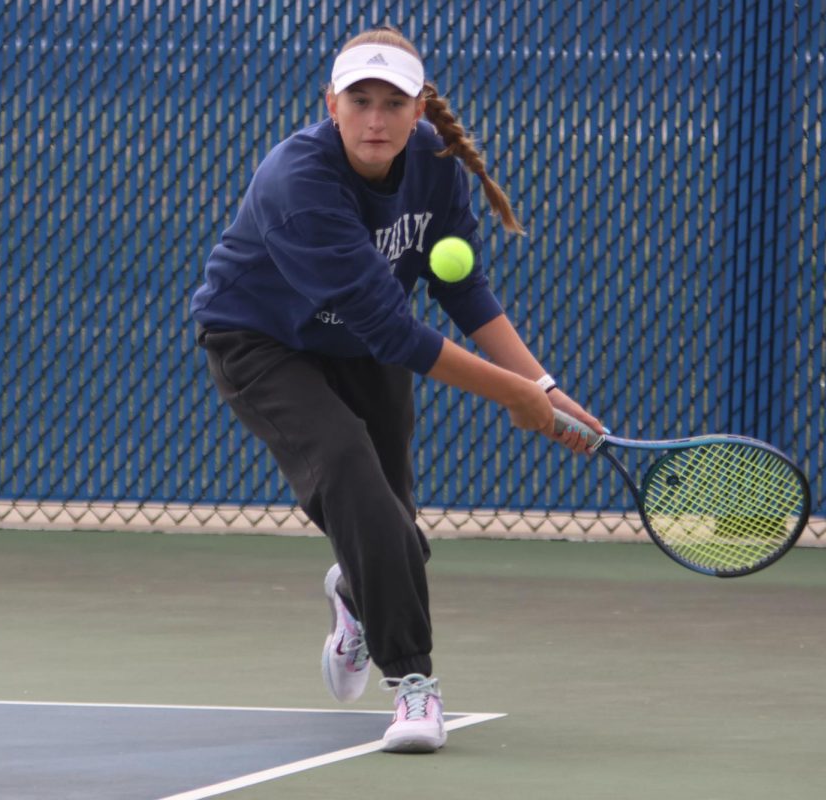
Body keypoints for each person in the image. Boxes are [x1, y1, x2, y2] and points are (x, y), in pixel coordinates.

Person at [190, 26, 602, 754]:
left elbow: (461, 289)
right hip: (261, 341)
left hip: (357, 343)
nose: (375, 119)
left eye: (393, 103)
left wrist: (544, 385)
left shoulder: (435, 170)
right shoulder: (299, 182)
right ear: (332, 104)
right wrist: (515, 396)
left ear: (419, 112)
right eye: (360, 100)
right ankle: (414, 685)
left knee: (398, 534)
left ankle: (354, 594)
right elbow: (396, 335)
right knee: (347, 463)